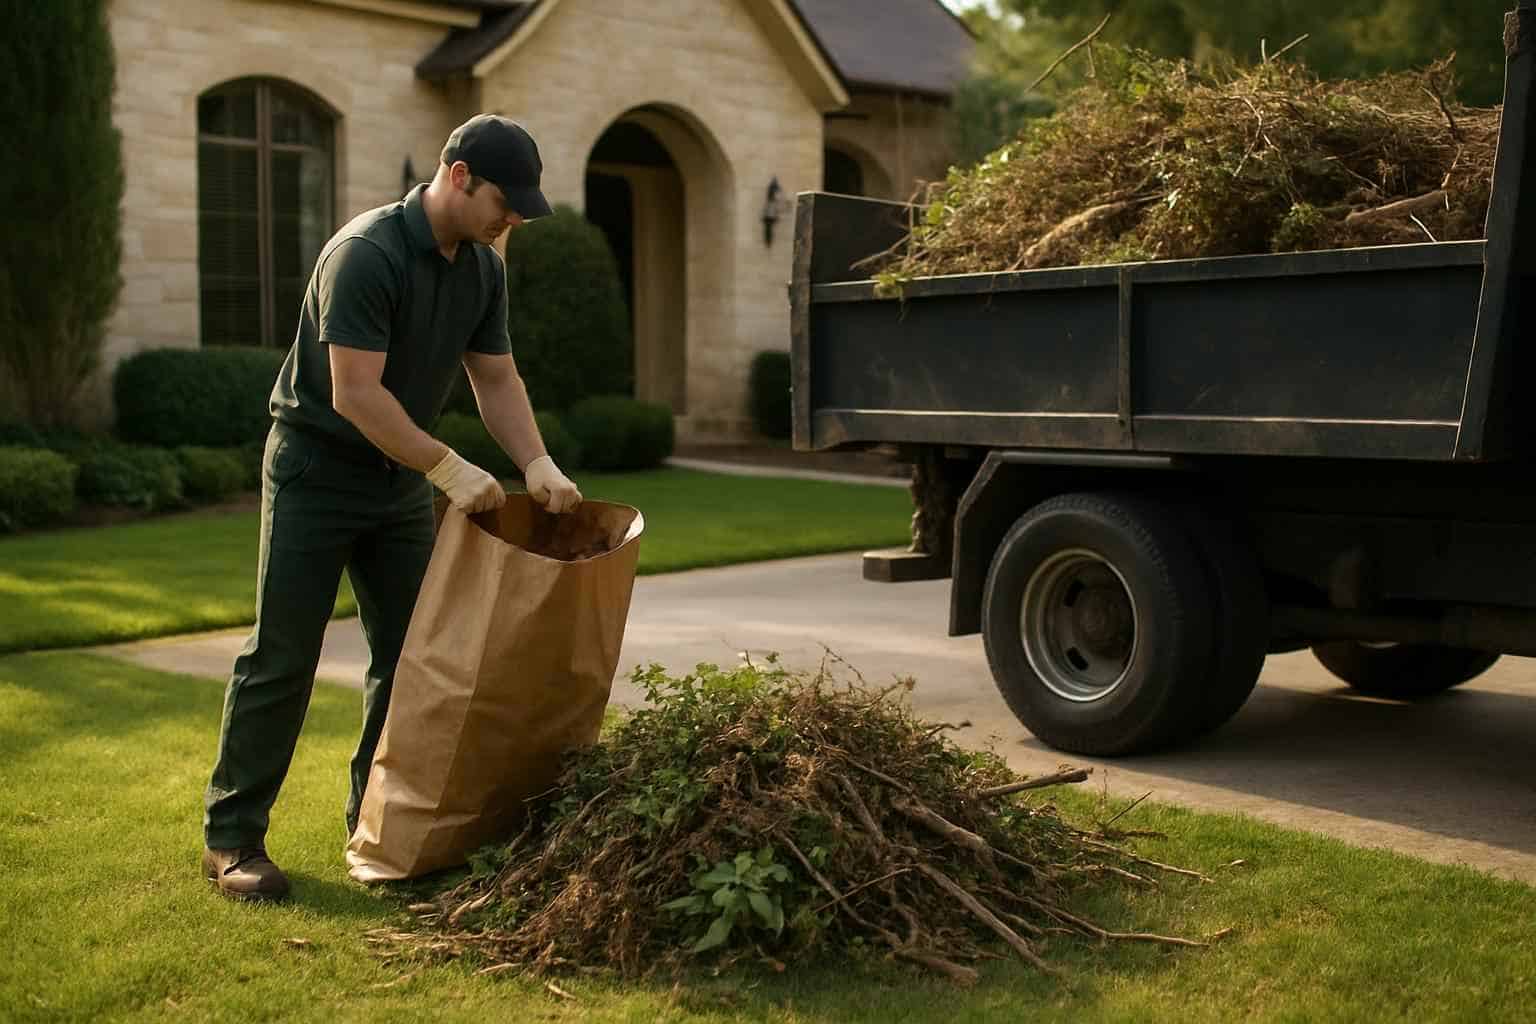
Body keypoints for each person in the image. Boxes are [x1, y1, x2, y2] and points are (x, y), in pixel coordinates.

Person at [201, 115, 581, 900]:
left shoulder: (482, 267)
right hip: (317, 467)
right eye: (505, 203)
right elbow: (355, 394)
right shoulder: (366, 254)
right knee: (282, 656)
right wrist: (447, 465)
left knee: (413, 661)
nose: (512, 221)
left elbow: (497, 379)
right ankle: (232, 840)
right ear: (459, 174)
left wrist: (534, 461)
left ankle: (377, 830)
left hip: (398, 482)